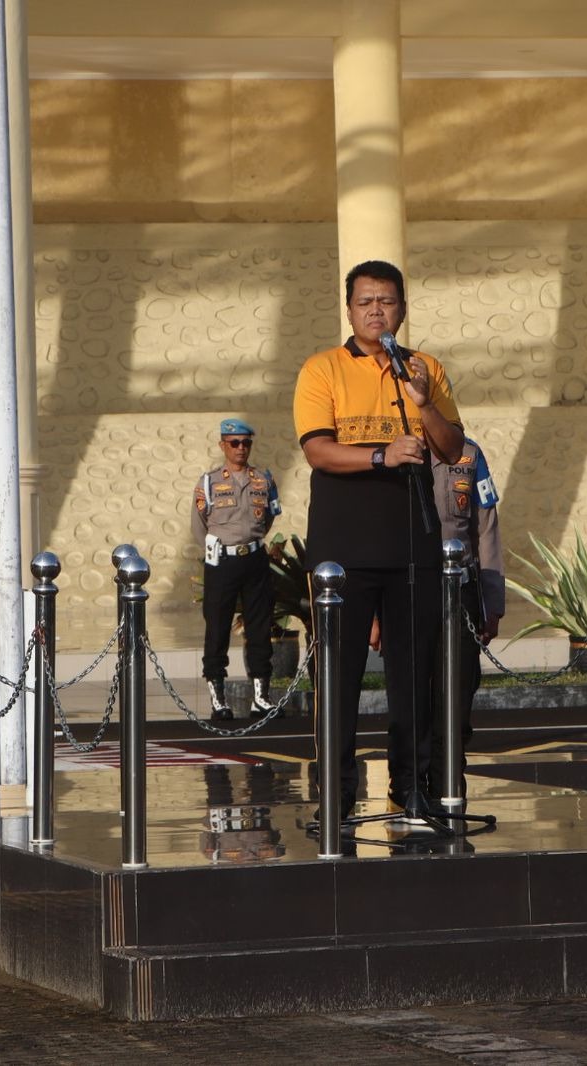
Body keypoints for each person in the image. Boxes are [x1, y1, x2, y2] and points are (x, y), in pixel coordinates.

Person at [292, 259, 464, 819]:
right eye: (365, 302)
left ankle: (411, 785)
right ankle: (338, 792)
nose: (376, 311)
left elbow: (451, 448)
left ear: (403, 309)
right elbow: (317, 450)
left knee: (414, 674)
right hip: (343, 545)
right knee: (339, 676)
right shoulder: (322, 369)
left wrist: (424, 402)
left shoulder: (425, 368)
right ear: (349, 311)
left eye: (386, 302)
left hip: (412, 539)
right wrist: (380, 456)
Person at [371, 436, 504, 802]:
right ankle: (408, 787)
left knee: (456, 697)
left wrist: (492, 601)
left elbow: (486, 529)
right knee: (409, 697)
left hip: (460, 592)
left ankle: (448, 786)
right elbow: (378, 534)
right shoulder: (395, 451)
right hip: (406, 591)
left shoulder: (470, 454)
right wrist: (374, 612)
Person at [192, 418, 282, 721]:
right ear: (223, 445)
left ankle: (261, 697)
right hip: (222, 561)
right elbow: (198, 525)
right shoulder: (209, 482)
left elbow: (268, 518)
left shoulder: (263, 480)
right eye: (234, 443)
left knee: (260, 627)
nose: (241, 448)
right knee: (217, 627)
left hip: (254, 559)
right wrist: (218, 548)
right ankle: (218, 698)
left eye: (246, 443)